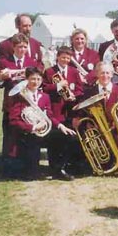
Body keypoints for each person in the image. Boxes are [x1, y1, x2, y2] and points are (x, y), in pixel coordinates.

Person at [8, 67, 76, 179]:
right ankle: (31, 168)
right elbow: (14, 120)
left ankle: (58, 169)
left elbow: (49, 116)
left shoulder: (45, 97)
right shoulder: (19, 97)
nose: (36, 82)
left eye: (38, 79)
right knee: (31, 176)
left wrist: (60, 125)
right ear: (27, 79)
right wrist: (33, 127)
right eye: (33, 79)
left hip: (43, 132)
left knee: (64, 136)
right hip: (27, 134)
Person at [43, 46, 84, 180]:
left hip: (69, 110)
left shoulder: (73, 71)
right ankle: (54, 168)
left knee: (68, 140)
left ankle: (65, 166)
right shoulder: (50, 72)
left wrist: (74, 95)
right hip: (55, 110)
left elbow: (79, 89)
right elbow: (43, 88)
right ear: (58, 57)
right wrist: (58, 86)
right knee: (54, 140)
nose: (65, 60)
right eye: (63, 57)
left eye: (68, 58)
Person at [0, 33, 39, 158]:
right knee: (9, 138)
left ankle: (26, 166)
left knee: (27, 137)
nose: (22, 50)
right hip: (11, 104)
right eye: (19, 47)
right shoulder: (4, 62)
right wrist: (0, 78)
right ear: (13, 47)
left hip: (27, 105)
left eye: (25, 47)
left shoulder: (31, 62)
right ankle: (8, 166)